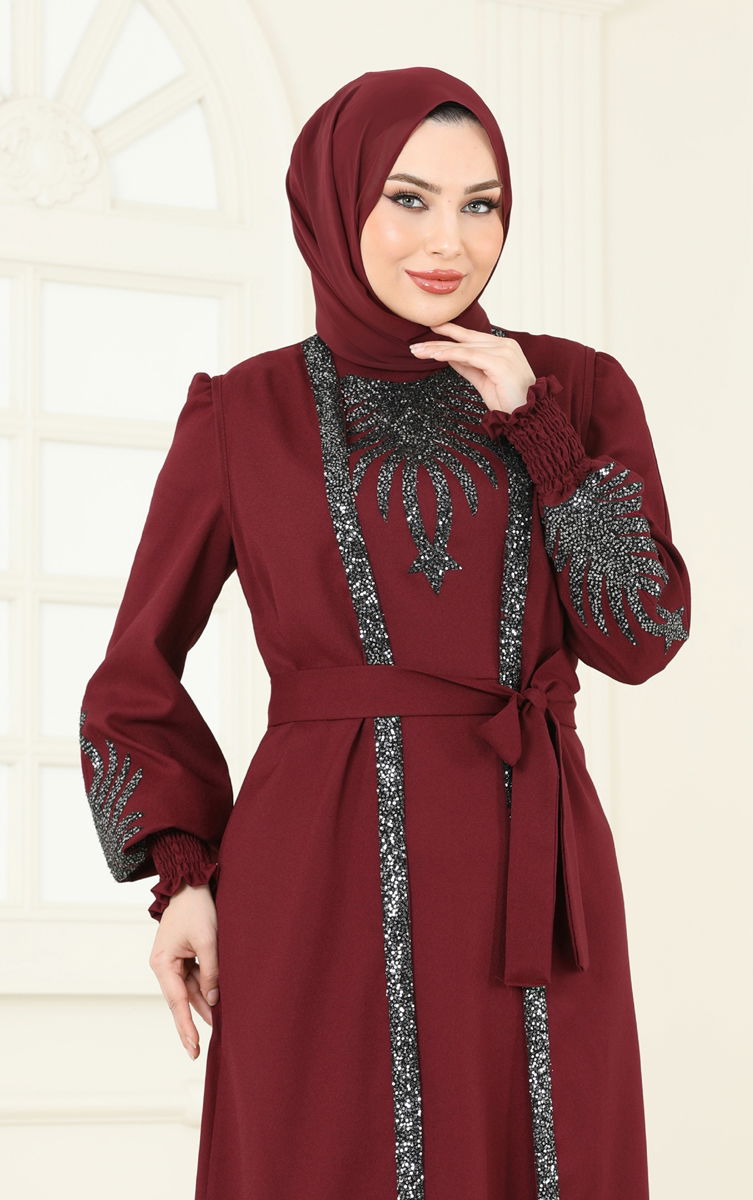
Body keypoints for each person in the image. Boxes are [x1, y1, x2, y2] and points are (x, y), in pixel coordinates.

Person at [78, 65, 691, 1200]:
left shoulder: (574, 388)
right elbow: (134, 676)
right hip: (314, 877)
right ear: (336, 201)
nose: (448, 240)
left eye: (479, 204)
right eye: (408, 199)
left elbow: (642, 633)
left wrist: (536, 429)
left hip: (531, 877)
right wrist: (183, 877)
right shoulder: (243, 411)